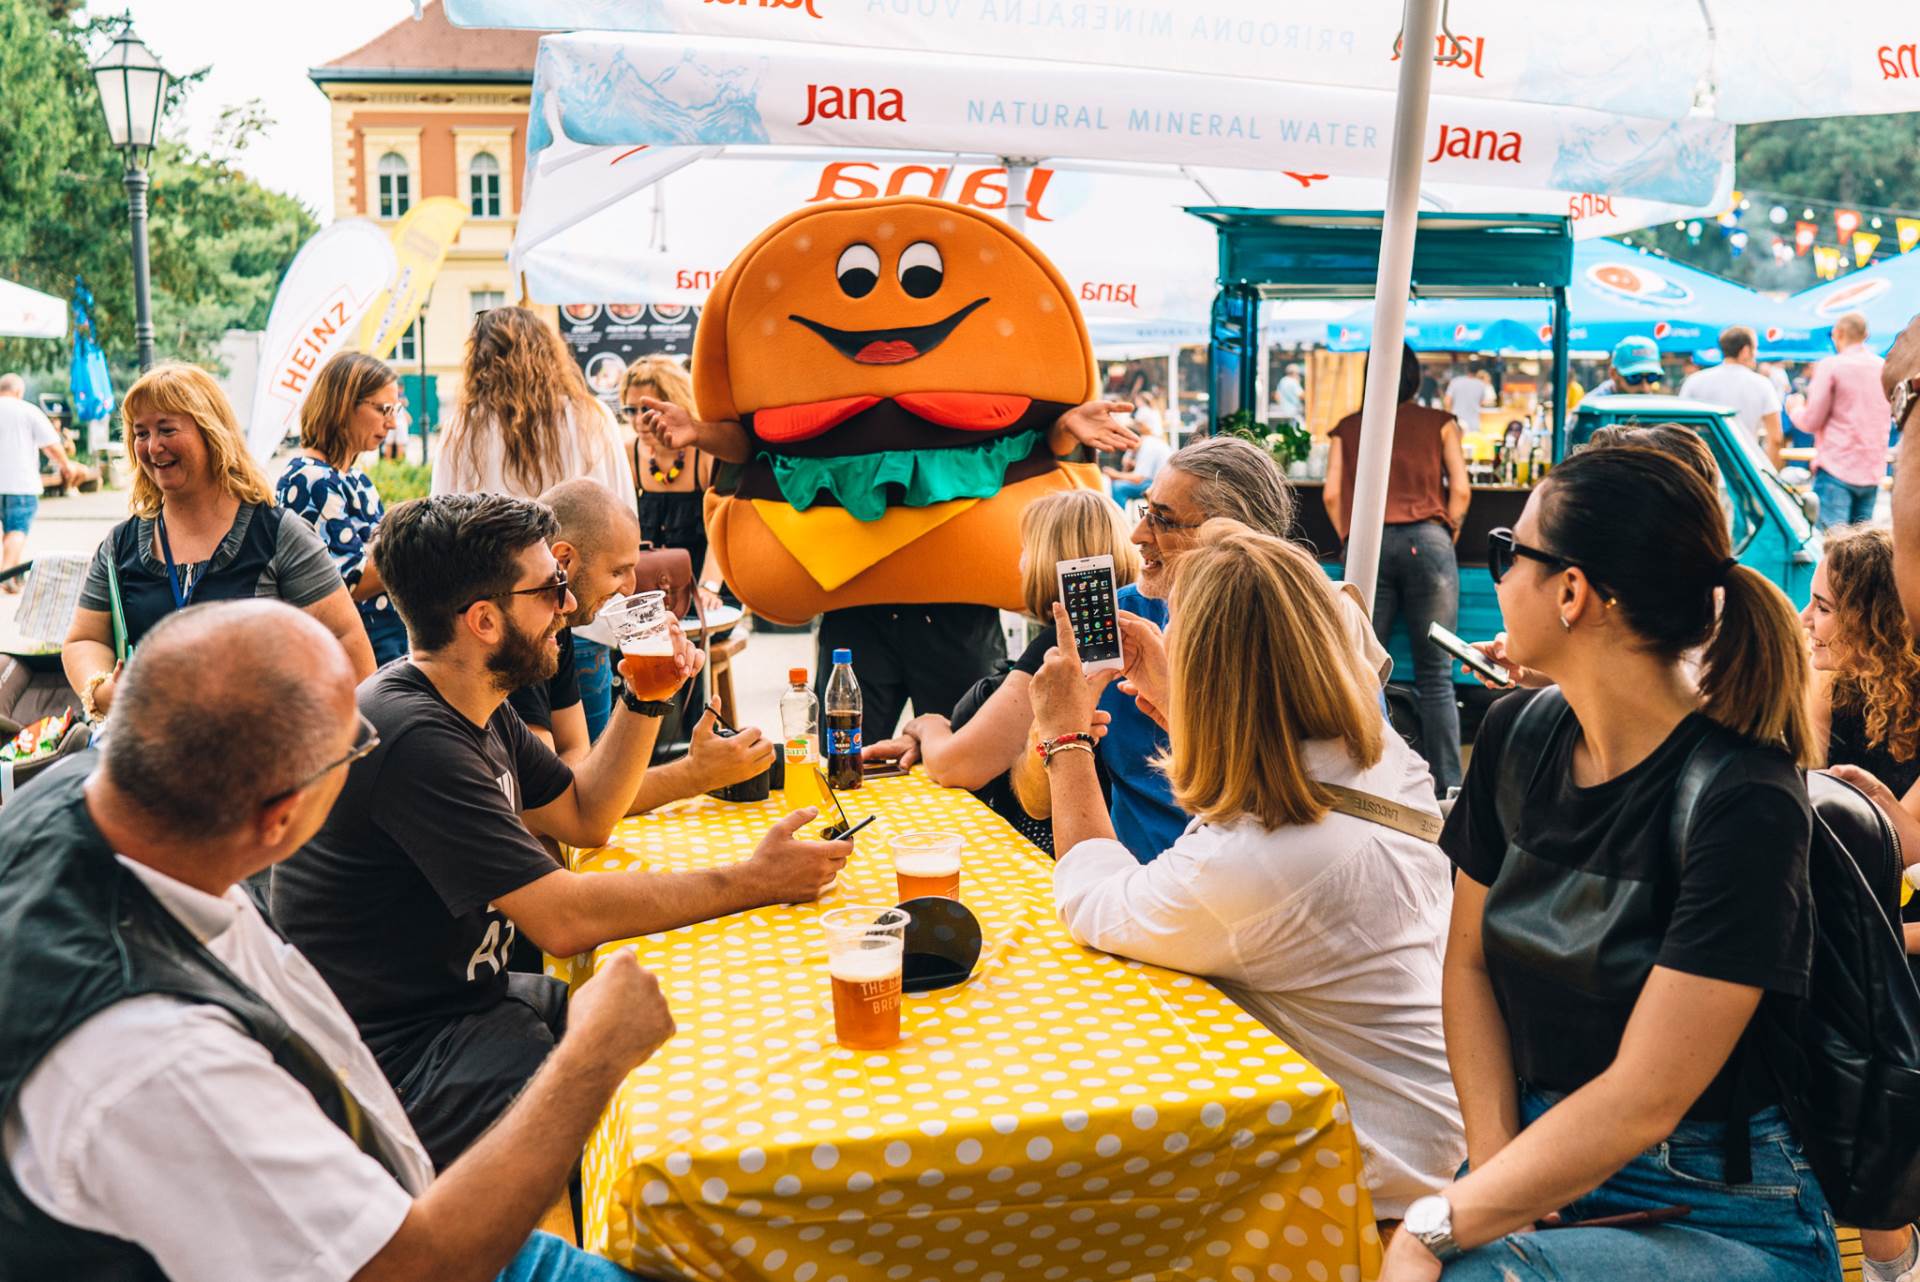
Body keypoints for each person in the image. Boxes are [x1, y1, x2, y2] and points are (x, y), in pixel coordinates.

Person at [0, 599, 671, 1282]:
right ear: (281, 816)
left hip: (374, 1197)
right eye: (353, 748)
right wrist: (594, 1056)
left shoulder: (92, 794)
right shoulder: (158, 1062)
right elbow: (412, 1269)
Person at [271, 493, 849, 1169]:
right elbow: (563, 920)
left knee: (688, 1020)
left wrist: (644, 697)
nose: (570, 606)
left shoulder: (470, 699)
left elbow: (585, 814)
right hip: (394, 1067)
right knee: (658, 1106)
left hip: (457, 1010)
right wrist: (753, 880)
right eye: (551, 589)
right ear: (485, 620)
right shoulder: (414, 738)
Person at [1381, 446, 1832, 1281]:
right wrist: (1492, 1164)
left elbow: (1645, 1098)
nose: (1500, 572)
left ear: (1572, 591)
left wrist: (1434, 1227)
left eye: (1507, 551)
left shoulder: (1745, 798)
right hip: (1540, 1151)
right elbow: (1468, 963)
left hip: (1720, 1207)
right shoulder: (1517, 737)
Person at [1033, 519, 1464, 1219]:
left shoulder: (1261, 864)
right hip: (1438, 1149)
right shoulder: (1381, 756)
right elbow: (1264, 754)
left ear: (1215, 673)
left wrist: (1065, 736)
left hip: (1370, 1195)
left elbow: (1091, 895)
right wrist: (1177, 695)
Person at [637, 380, 1137, 741]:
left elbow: (1025, 451)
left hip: (954, 618)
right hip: (859, 617)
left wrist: (1064, 429)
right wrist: (702, 433)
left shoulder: (970, 396)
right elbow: (760, 449)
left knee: (968, 762)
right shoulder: (829, 401)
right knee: (848, 760)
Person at [1011, 436, 1391, 862]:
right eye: (1145, 511)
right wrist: (1052, 729)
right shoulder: (1116, 618)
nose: (1137, 535)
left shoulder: (1308, 641)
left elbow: (1336, 805)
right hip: (1126, 887)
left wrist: (1177, 705)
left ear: (1234, 540)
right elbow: (1035, 801)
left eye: (1163, 520)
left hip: (1242, 888)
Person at [62, 363, 374, 723]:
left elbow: (347, 641)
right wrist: (103, 690)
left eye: (166, 429)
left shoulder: (277, 534)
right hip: (154, 760)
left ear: (211, 433)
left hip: (261, 761)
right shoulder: (121, 544)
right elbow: (84, 639)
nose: (153, 447)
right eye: (141, 433)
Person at [862, 488, 1139, 853]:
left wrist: (926, 725)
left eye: (1025, 548)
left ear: (1046, 557)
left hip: (1070, 847)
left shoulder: (1057, 649)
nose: (1020, 561)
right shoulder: (1137, 629)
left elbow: (956, 766)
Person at [433, 305, 636, 740]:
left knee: (509, 774)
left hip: (497, 628)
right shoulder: (593, 420)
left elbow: (444, 534)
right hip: (584, 616)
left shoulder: (462, 431)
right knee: (596, 773)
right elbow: (622, 515)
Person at [509, 478, 772, 813]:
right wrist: (695, 774)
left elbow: (578, 770)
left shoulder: (557, 629)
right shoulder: (523, 637)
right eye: (619, 571)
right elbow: (561, 807)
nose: (630, 587)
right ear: (564, 560)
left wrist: (646, 692)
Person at [1324, 343, 1472, 793]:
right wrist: (1446, 534)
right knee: (1437, 674)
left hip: (1368, 543)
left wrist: (1352, 539)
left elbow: (1332, 494)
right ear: (1417, 379)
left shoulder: (1348, 427)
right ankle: (1449, 786)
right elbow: (1461, 491)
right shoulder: (1441, 424)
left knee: (1362, 667)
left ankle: (1368, 779)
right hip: (1429, 542)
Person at [278, 351, 411, 665]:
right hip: (353, 656)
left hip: (376, 647)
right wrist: (421, 544)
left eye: (396, 410)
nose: (392, 423)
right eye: (384, 409)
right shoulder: (311, 478)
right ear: (343, 405)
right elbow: (348, 581)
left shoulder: (352, 476)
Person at [1803, 526, 1920, 808]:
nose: (1803, 618)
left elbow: (1908, 846)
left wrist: (1876, 795)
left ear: (1874, 621)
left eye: (1823, 608)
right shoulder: (1830, 678)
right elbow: (1806, 789)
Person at [616, 356, 723, 616]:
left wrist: (710, 587)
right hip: (649, 590)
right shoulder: (629, 453)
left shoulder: (705, 454)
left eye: (647, 409)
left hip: (705, 586)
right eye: (631, 411)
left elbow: (724, 527)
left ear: (676, 404)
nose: (638, 420)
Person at [1800, 311, 1894, 531]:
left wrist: (1795, 409)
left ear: (1837, 334)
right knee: (1860, 552)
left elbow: (1811, 421)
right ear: (1866, 335)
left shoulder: (1831, 366)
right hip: (1872, 469)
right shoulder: (1883, 368)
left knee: (1831, 550)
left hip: (1836, 467)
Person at [0, 374, 81, 594]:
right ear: (19, 391)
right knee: (16, 528)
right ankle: (6, 573)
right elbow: (52, 446)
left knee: (10, 532)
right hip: (20, 482)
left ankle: (12, 574)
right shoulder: (28, 410)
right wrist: (66, 466)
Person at [1679, 326, 1785, 469]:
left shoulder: (1694, 381)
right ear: (1745, 351)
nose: (1756, 354)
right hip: (1746, 469)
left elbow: (1681, 430)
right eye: (1755, 349)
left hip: (1704, 467)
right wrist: (1770, 478)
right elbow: (1776, 439)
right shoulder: (1762, 384)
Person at [1101, 416, 1171, 506]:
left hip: (1160, 485)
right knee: (1117, 484)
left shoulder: (1149, 446)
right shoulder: (1140, 445)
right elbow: (1126, 467)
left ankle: (1119, 517)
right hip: (1154, 481)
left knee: (1118, 487)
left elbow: (1139, 479)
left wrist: (1115, 474)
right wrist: (1128, 463)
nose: (1124, 447)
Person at [1586, 335, 1665, 397]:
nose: (1645, 387)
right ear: (1613, 373)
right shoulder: (1591, 410)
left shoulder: (1653, 404)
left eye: (1652, 377)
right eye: (1634, 377)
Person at [1445, 364, 1491, 433]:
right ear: (1478, 372)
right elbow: (1482, 403)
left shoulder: (1455, 381)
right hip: (1474, 424)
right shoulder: (1481, 384)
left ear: (1467, 370)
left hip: (1456, 423)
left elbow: (1447, 401)